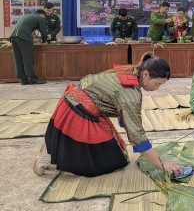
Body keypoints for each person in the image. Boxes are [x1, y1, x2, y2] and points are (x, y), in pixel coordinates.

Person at [33, 52, 183, 177]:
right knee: (109, 163)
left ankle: (52, 145)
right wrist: (163, 164)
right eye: (157, 84)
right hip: (78, 112)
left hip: (70, 102)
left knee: (116, 155)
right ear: (145, 74)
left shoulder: (130, 70)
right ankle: (49, 152)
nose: (157, 89)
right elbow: (136, 135)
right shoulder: (130, 93)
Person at [10, 9, 48, 85]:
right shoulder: (41, 18)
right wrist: (44, 41)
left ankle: (23, 79)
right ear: (42, 15)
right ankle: (33, 78)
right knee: (28, 58)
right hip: (23, 36)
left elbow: (26, 27)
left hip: (13, 36)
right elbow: (44, 33)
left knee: (18, 59)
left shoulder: (28, 16)